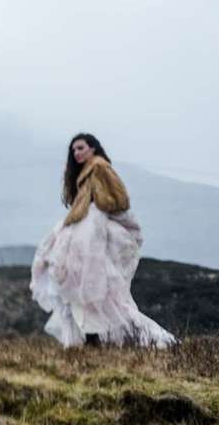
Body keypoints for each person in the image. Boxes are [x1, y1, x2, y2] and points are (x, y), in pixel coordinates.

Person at [29, 134, 175, 348]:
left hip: (94, 232)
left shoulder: (100, 168)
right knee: (89, 290)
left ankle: (107, 338)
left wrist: (96, 206)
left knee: (93, 288)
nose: (76, 153)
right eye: (73, 150)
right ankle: (92, 338)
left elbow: (120, 200)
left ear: (93, 149)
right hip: (86, 231)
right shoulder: (87, 172)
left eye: (80, 148)